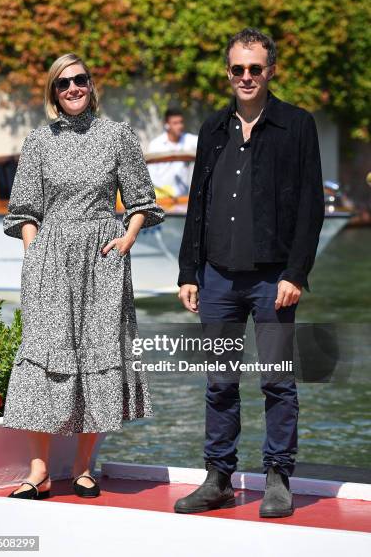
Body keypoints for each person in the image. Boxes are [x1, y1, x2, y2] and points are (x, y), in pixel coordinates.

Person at [174, 27, 324, 517]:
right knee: (219, 382)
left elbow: (310, 207)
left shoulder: (297, 126)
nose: (246, 76)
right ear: (228, 72)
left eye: (254, 68)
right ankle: (218, 477)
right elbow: (197, 201)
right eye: (237, 68)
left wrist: (296, 273)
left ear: (270, 70)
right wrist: (188, 271)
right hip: (216, 277)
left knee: (277, 381)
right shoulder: (213, 129)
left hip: (273, 277)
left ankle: (278, 476)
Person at [2, 53, 164, 500]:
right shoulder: (38, 141)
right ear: (53, 92)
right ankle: (38, 472)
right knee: (42, 354)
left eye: (80, 80)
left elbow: (141, 200)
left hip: (103, 259)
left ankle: (82, 468)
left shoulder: (117, 136)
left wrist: (127, 240)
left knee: (99, 355)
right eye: (63, 83)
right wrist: (32, 252)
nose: (73, 88)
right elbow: (23, 209)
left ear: (92, 85)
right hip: (50, 258)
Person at [146, 108, 198, 197]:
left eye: (181, 122)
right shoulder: (156, 145)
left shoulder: (190, 140)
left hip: (183, 199)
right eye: (175, 123)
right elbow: (151, 174)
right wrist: (166, 191)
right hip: (161, 198)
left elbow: (206, 142)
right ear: (167, 125)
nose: (180, 126)